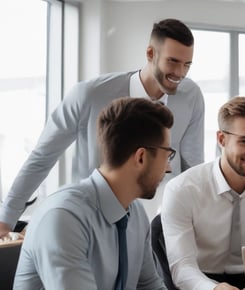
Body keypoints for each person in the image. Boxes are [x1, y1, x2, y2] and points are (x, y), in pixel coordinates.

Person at [0, 18, 204, 237]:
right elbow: (43, 156)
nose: (180, 73)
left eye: (187, 65)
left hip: (156, 225)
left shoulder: (191, 96)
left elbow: (192, 167)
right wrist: (6, 219)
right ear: (150, 54)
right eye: (173, 61)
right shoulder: (89, 95)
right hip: (91, 220)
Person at [13, 97, 174, 289]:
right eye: (167, 155)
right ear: (141, 157)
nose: (168, 168)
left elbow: (149, 285)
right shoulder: (63, 217)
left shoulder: (136, 214)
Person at [161, 96, 245, 290]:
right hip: (201, 280)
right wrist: (213, 289)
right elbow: (182, 267)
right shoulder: (181, 190)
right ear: (222, 139)